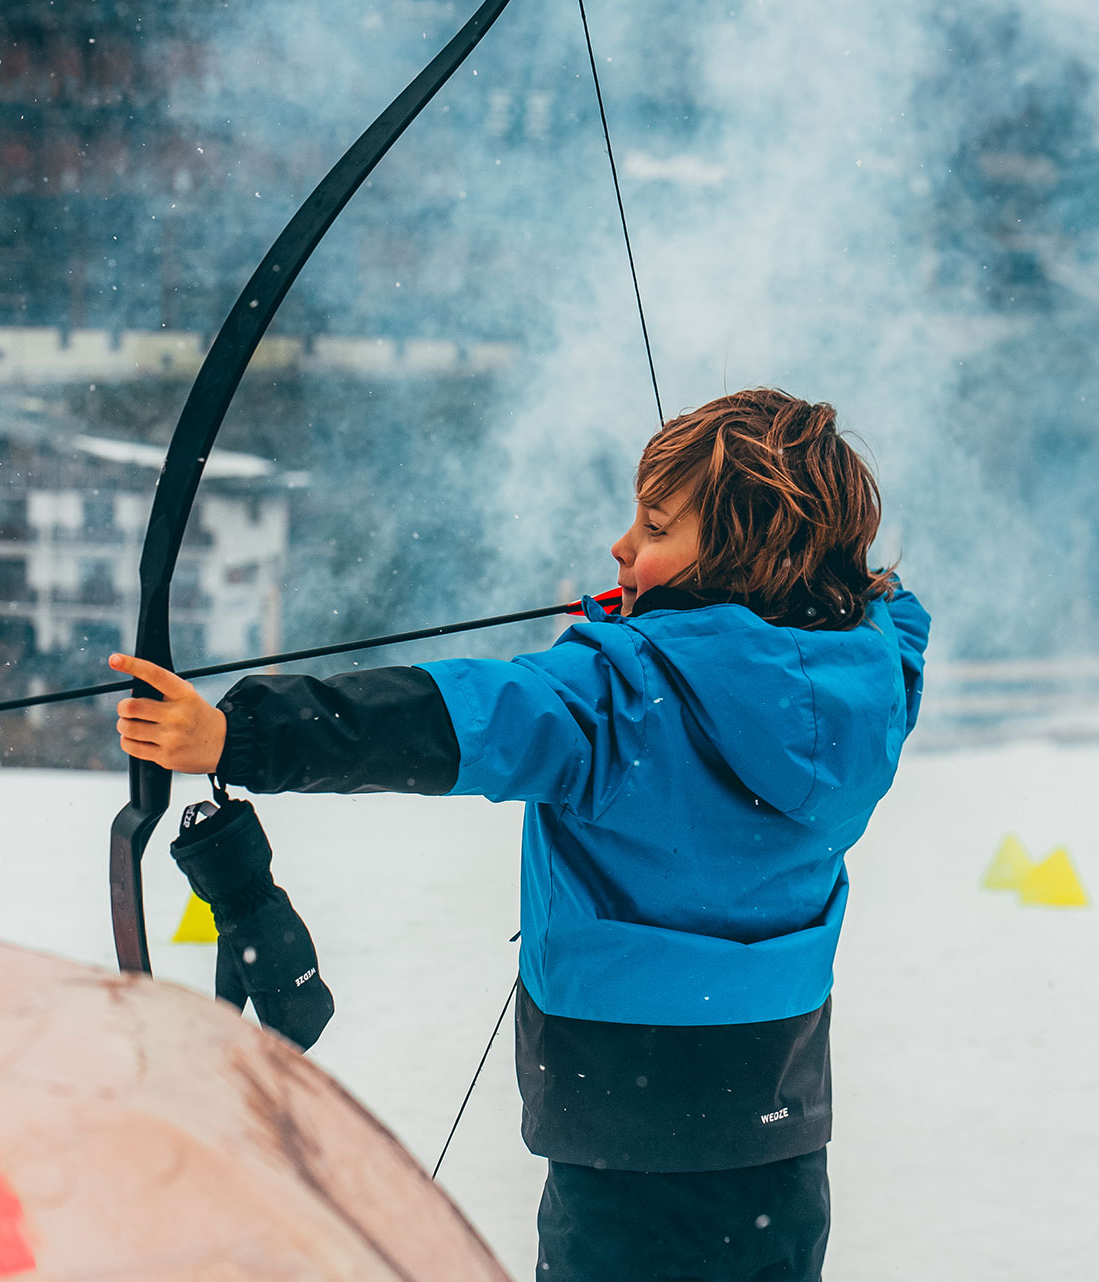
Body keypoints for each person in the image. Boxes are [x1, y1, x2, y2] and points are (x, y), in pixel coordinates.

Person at [112, 388, 930, 1282]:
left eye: (655, 528)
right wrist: (702, 609)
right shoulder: (877, 677)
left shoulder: (618, 700)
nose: (623, 546)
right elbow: (871, 612)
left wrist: (241, 735)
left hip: (626, 1129)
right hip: (781, 1125)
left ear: (732, 562)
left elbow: (457, 719)